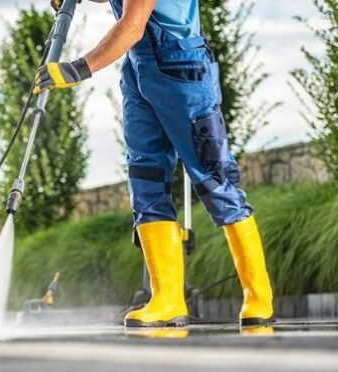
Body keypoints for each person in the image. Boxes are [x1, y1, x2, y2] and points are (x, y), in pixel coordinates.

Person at [36, 0, 274, 327]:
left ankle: (258, 297)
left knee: (215, 180)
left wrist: (76, 68)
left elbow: (132, 27)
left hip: (182, 67)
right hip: (139, 69)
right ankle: (166, 298)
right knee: (146, 182)